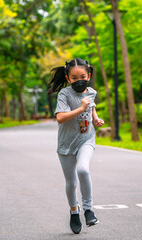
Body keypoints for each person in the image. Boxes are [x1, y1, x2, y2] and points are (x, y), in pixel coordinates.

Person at [47, 58, 104, 234]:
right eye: (74, 77)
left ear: (89, 75)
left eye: (82, 76)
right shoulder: (64, 94)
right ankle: (74, 210)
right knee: (71, 183)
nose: (79, 80)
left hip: (86, 139)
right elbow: (60, 118)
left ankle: (88, 210)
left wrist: (95, 118)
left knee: (83, 170)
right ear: (68, 78)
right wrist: (81, 109)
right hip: (66, 144)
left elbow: (91, 105)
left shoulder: (91, 92)